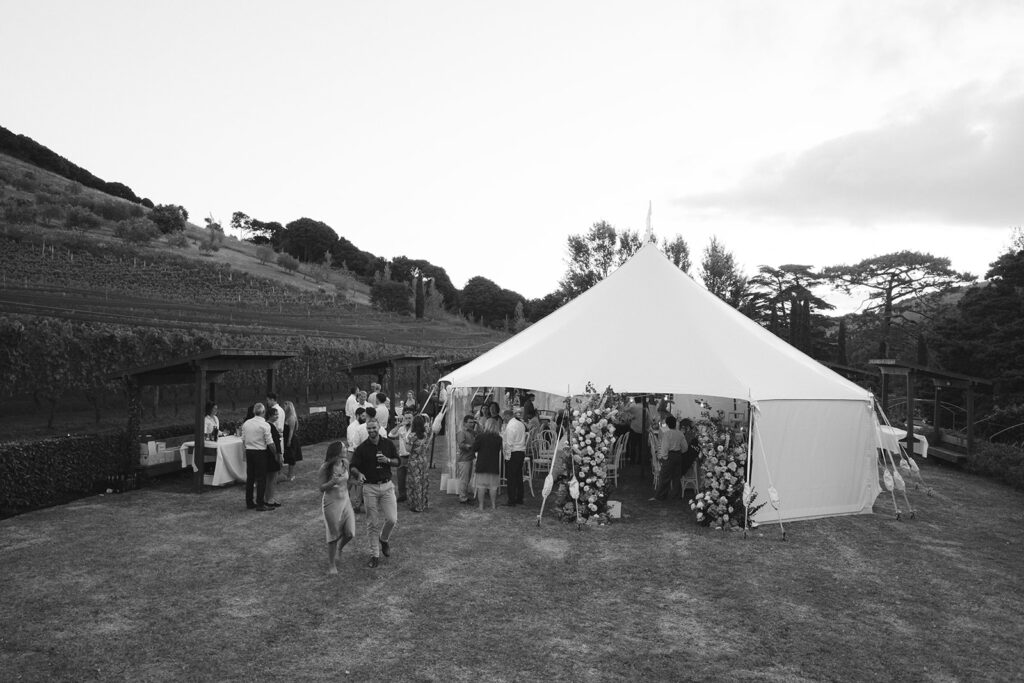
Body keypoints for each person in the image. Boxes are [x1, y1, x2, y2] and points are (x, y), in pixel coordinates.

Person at [350, 418, 399, 569]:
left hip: (387, 486)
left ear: (379, 428)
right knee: (372, 523)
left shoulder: (388, 444)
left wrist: (388, 460)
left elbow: (398, 461)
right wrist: (358, 474)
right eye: (369, 428)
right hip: (369, 487)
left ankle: (383, 539)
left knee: (392, 519)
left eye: (374, 428)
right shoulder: (362, 448)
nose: (371, 431)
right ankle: (375, 555)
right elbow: (353, 466)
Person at [319, 441, 355, 575]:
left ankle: (340, 548)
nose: (346, 449)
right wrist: (331, 482)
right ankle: (331, 564)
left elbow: (347, 481)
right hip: (331, 503)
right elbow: (321, 488)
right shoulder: (325, 467)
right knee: (333, 535)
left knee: (350, 533)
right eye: (344, 447)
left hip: (345, 501)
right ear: (336, 451)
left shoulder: (346, 463)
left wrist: (355, 482)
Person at [241, 403, 276, 511]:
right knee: (261, 479)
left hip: (249, 451)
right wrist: (276, 453)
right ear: (264, 412)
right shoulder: (265, 425)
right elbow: (270, 443)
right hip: (260, 452)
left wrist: (244, 452)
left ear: (254, 412)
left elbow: (243, 440)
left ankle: (249, 502)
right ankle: (260, 503)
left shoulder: (246, 423)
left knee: (250, 478)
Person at [652, 415, 689, 501]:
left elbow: (665, 447)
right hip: (678, 456)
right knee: (676, 477)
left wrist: (664, 457)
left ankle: (661, 496)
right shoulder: (680, 434)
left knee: (664, 477)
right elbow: (685, 447)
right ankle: (675, 496)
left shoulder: (667, 434)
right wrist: (680, 452)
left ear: (668, 424)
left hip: (670, 456)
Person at [473, 417, 503, 511]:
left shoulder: (480, 437)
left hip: (482, 464)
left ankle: (481, 506)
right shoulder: (499, 439)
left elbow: (474, 448)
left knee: (481, 486)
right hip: (493, 464)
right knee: (493, 487)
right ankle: (493, 505)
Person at [406, 414, 430, 512]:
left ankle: (416, 505)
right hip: (423, 460)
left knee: (415, 483)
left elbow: (408, 449)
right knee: (423, 481)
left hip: (414, 461)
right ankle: (423, 503)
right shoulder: (425, 434)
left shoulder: (412, 436)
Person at [504, 408, 527, 506]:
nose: (504, 419)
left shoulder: (510, 425)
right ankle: (519, 498)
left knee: (511, 477)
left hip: (514, 452)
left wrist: (507, 456)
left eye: (504, 417)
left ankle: (511, 500)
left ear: (508, 416)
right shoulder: (520, 423)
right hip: (521, 451)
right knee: (518, 476)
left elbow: (509, 442)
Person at [389, 412, 413, 502]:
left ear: (413, 419)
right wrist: (399, 425)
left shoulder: (414, 429)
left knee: (411, 478)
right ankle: (402, 495)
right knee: (400, 477)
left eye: (409, 418)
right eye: (406, 418)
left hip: (411, 457)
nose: (408, 420)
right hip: (402, 457)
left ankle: (412, 495)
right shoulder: (401, 428)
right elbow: (390, 434)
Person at [455, 414, 478, 504]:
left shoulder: (471, 432)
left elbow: (480, 433)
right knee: (464, 479)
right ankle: (463, 498)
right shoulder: (461, 432)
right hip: (464, 459)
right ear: (465, 423)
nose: (472, 424)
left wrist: (478, 423)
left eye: (473, 422)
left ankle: (464, 495)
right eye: (470, 422)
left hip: (470, 458)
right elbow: (461, 445)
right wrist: (469, 446)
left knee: (467, 478)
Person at [264, 406, 284, 507]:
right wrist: (279, 455)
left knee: (269, 478)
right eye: (275, 414)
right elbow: (274, 443)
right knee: (272, 478)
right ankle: (270, 499)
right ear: (270, 415)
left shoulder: (269, 425)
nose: (277, 416)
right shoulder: (270, 426)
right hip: (272, 455)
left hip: (268, 455)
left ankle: (267, 498)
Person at [282, 400, 303, 481]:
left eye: (285, 406)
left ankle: (290, 475)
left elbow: (291, 430)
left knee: (291, 457)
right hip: (286, 438)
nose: (283, 408)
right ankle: (288, 474)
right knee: (288, 456)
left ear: (289, 407)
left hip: (291, 439)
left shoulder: (291, 418)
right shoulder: (286, 416)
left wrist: (289, 440)